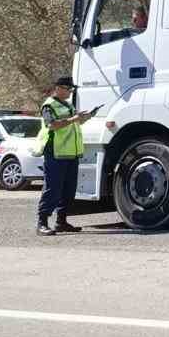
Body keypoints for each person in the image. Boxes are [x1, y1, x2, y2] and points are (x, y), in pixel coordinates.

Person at [37, 76, 97, 237]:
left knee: (68, 190)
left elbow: (73, 123)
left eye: (71, 89)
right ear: (58, 88)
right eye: (68, 89)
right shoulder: (48, 106)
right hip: (55, 152)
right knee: (52, 189)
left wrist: (84, 117)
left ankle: (61, 222)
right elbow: (53, 124)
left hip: (71, 153)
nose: (70, 92)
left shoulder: (68, 105)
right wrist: (73, 119)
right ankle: (42, 223)